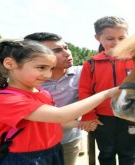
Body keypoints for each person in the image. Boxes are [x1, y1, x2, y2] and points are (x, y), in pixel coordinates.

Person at [0, 40, 117, 165]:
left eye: (50, 68)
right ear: (10, 64)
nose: (47, 75)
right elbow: (60, 115)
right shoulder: (4, 100)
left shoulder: (42, 93)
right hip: (24, 158)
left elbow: (52, 121)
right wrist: (106, 94)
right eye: (41, 67)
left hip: (53, 151)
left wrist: (80, 124)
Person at [79, 16, 135, 165]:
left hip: (130, 115)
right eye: (110, 38)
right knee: (106, 152)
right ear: (97, 38)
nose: (116, 43)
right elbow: (84, 91)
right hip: (102, 118)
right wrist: (88, 114)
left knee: (129, 153)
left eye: (121, 38)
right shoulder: (91, 64)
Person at [24, 32, 84, 165]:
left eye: (66, 47)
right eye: (57, 50)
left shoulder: (83, 73)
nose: (67, 53)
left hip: (69, 141)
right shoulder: (25, 81)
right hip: (36, 145)